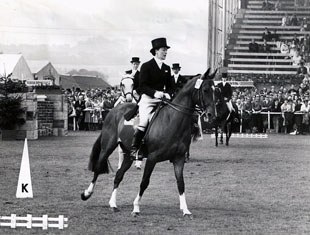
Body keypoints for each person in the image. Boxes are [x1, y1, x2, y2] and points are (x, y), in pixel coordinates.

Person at [129, 37, 173, 160]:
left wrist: (169, 93)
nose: (165, 52)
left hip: (162, 100)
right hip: (148, 99)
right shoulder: (146, 66)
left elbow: (171, 87)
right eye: (163, 50)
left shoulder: (167, 68)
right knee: (143, 122)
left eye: (166, 50)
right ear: (156, 51)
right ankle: (135, 149)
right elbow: (142, 86)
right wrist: (155, 93)